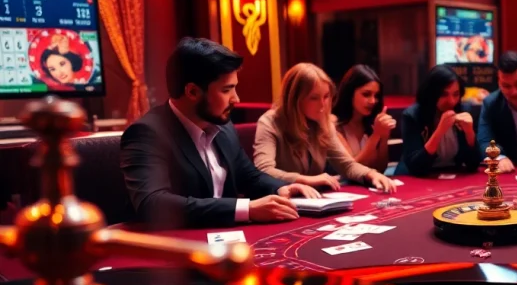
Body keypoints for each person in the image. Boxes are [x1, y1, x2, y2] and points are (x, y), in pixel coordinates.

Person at [121, 37, 317, 229]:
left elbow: (248, 176)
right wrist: (246, 209)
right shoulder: (147, 133)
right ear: (192, 92)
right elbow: (153, 204)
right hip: (173, 248)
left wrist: (280, 187)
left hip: (221, 239)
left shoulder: (224, 127)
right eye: (226, 90)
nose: (236, 99)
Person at [253, 63, 395, 193]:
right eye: (314, 98)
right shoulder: (270, 122)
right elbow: (263, 170)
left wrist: (371, 174)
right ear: (295, 99)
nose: (323, 105)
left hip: (314, 200)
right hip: (279, 199)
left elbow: (346, 165)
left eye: (326, 96)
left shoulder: (323, 122)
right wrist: (304, 179)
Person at [396, 64, 481, 176]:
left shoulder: (465, 111)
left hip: (453, 176)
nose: (451, 101)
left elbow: (473, 165)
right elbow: (416, 167)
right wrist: (440, 130)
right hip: (417, 180)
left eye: (456, 94)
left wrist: (469, 133)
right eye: (443, 94)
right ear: (431, 94)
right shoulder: (413, 115)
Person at [333, 64, 394, 173]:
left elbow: (381, 168)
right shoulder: (334, 125)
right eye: (366, 94)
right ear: (350, 93)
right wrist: (376, 135)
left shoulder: (371, 121)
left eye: (376, 96)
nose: (373, 101)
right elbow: (351, 170)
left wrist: (383, 137)